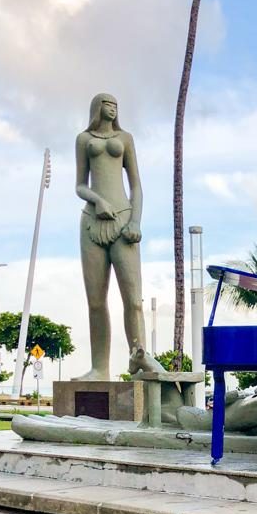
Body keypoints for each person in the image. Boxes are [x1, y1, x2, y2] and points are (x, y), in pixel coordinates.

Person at [74, 93, 160, 380]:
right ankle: (100, 368)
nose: (112, 108)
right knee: (96, 303)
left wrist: (135, 221)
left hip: (124, 222)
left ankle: (140, 358)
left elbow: (136, 186)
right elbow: (79, 185)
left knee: (133, 300)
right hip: (91, 223)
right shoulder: (84, 140)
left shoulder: (125, 139)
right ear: (97, 108)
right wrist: (97, 201)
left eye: (115, 105)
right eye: (107, 104)